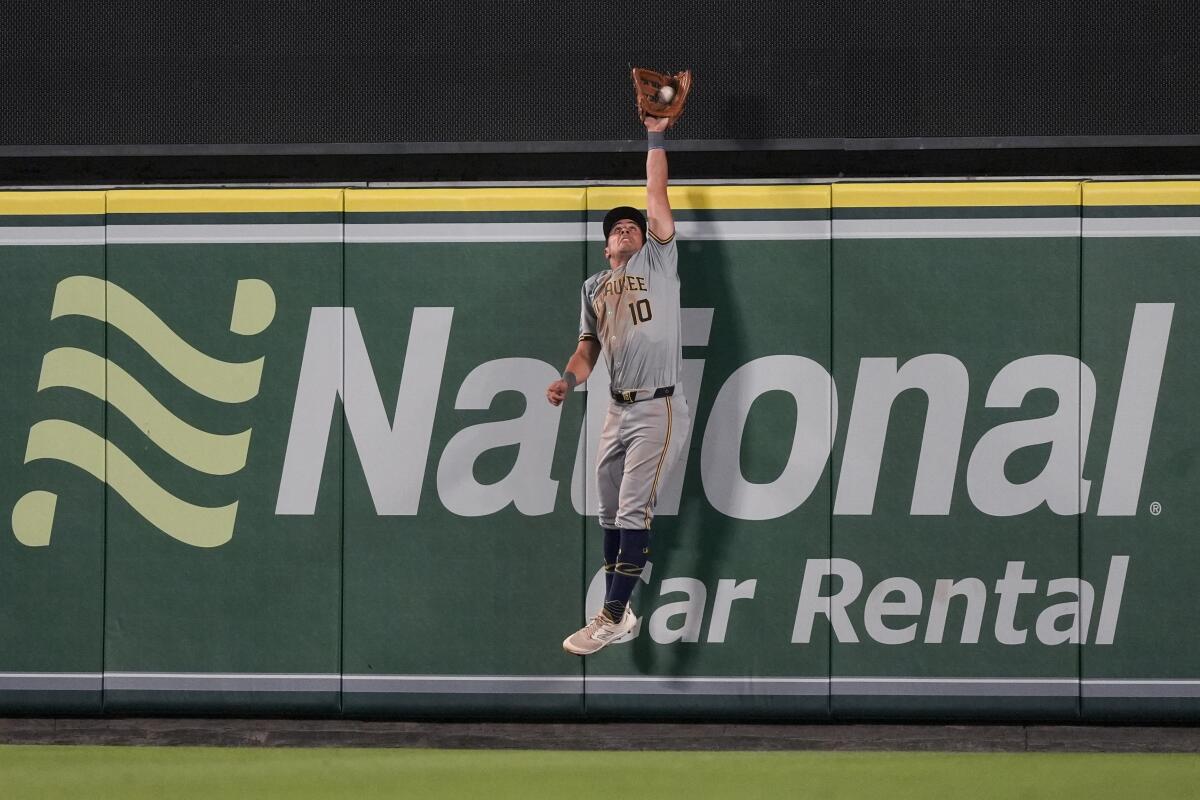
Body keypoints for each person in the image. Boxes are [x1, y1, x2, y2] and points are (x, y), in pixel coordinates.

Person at [546, 114, 691, 656]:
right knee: (607, 512)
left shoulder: (659, 261)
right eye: (617, 228)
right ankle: (621, 610)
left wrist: (655, 134)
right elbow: (588, 350)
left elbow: (656, 190)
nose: (626, 229)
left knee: (632, 511)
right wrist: (566, 380)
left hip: (659, 403)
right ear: (606, 246)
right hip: (616, 407)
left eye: (632, 225)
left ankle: (610, 614)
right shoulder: (594, 286)